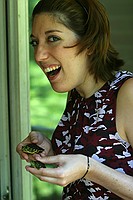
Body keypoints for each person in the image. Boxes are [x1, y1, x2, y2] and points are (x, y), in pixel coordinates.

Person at [16, 0, 133, 199]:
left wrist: (89, 168)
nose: (39, 55)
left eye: (53, 38)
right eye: (35, 42)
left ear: (90, 43)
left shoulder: (126, 92)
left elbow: (88, 165)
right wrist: (49, 150)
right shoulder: (77, 95)